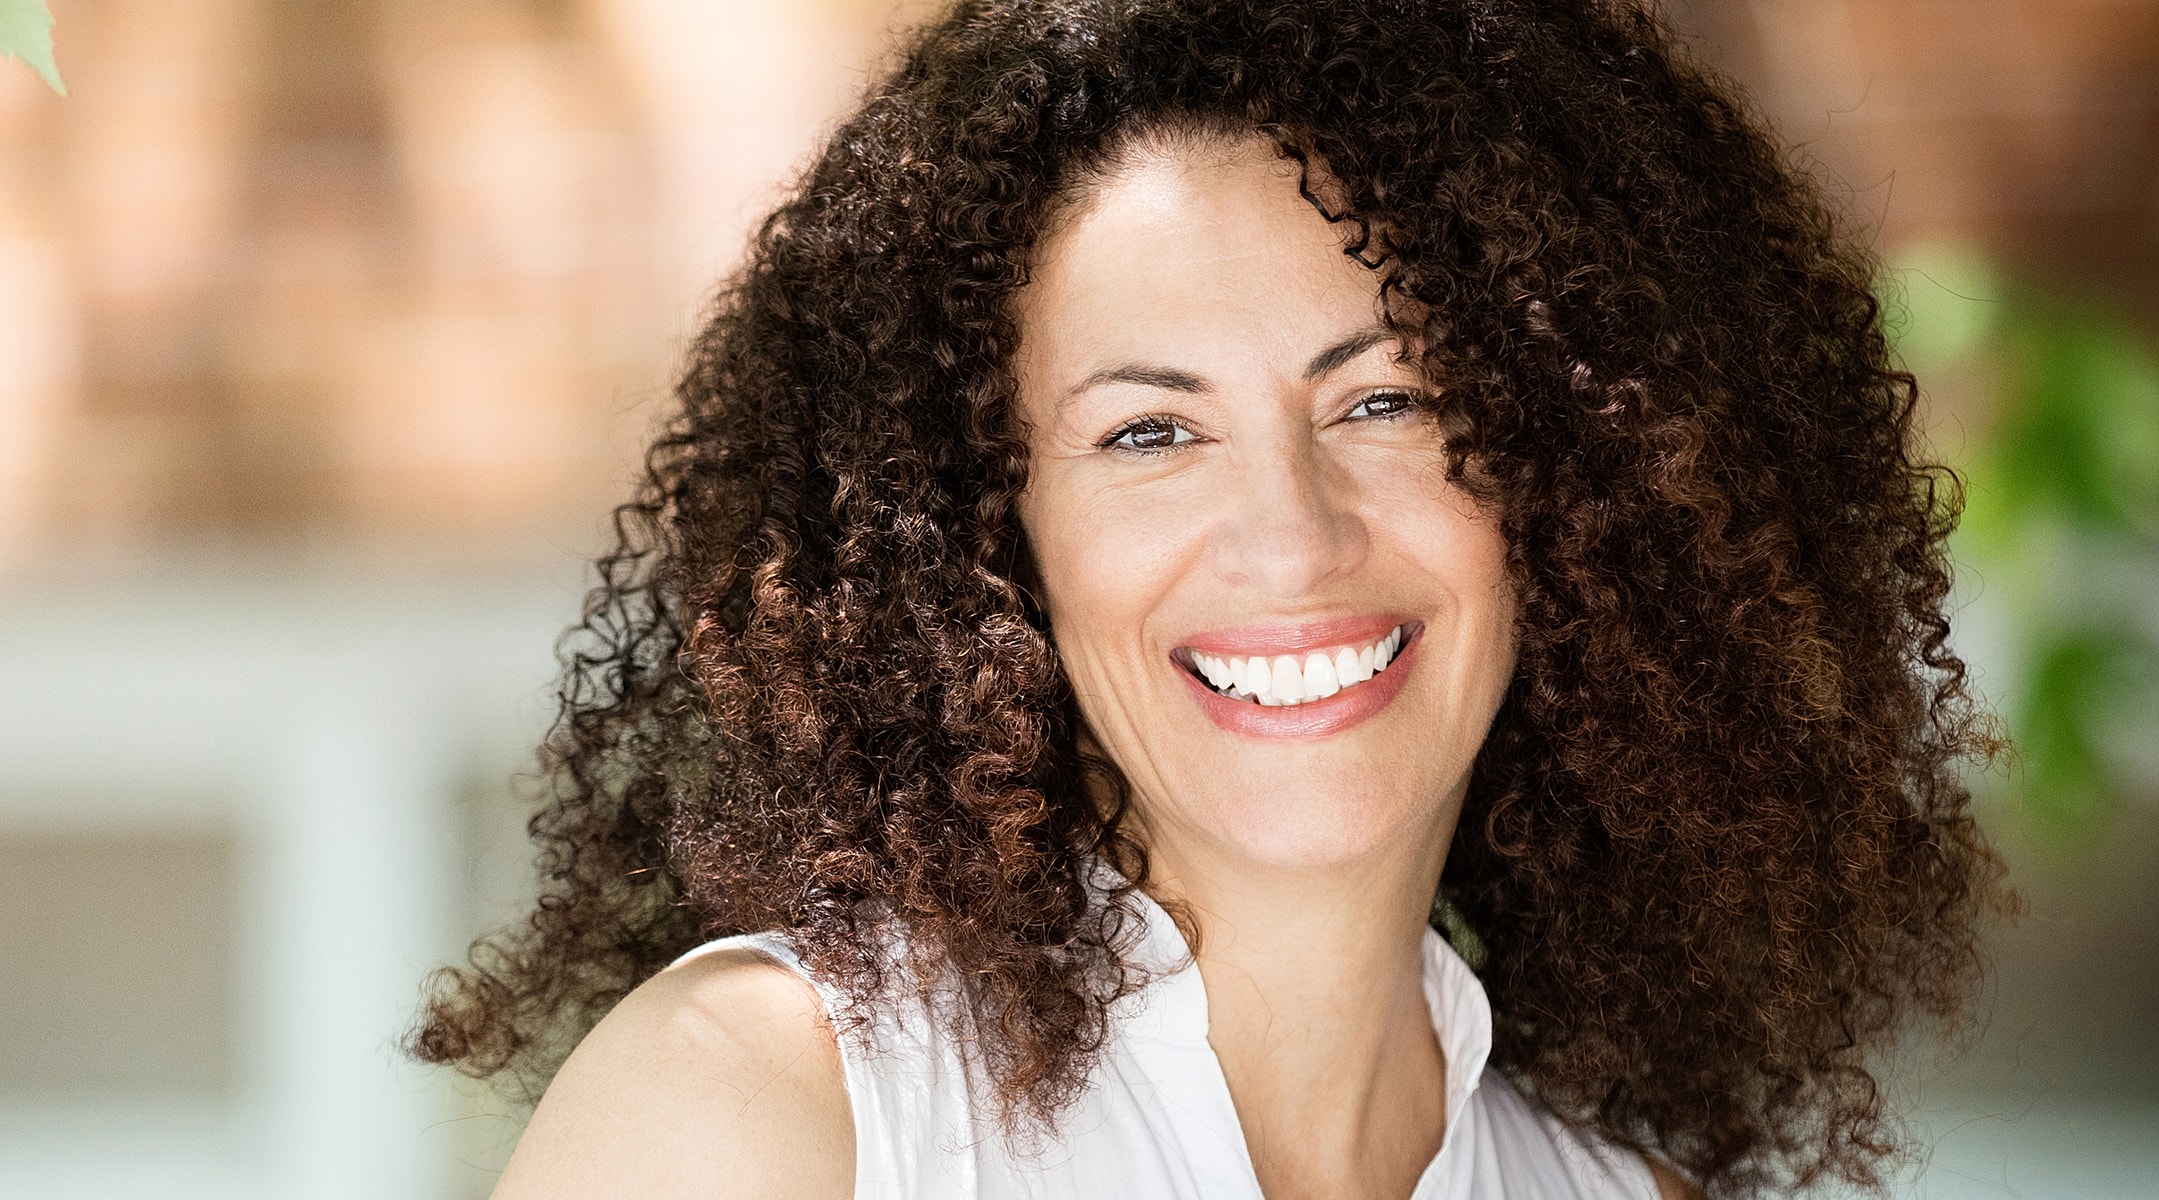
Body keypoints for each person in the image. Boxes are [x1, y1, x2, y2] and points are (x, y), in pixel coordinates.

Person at [410, 2, 2003, 1197]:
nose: (1291, 539)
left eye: (1388, 400)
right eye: (1150, 432)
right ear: (986, 543)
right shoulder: (767, 1123)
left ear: (1584, 473)